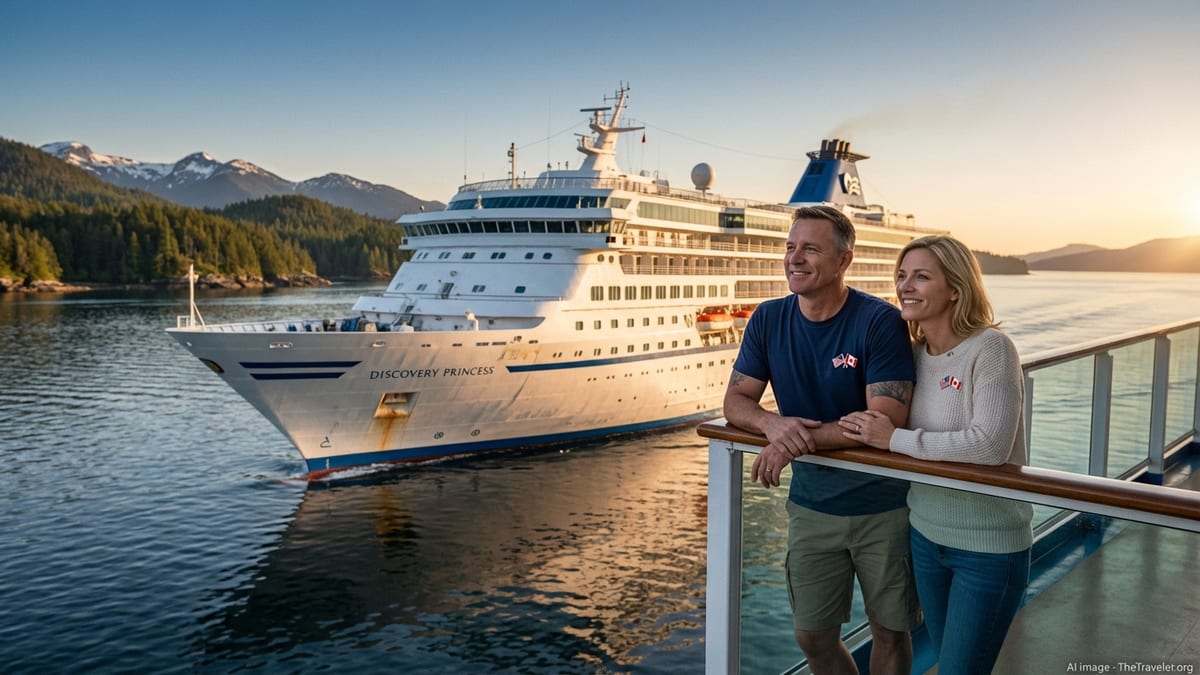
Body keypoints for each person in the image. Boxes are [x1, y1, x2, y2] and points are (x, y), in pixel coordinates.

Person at [724, 205, 920, 674]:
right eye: (790, 247)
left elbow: (884, 418)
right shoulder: (769, 319)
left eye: (811, 248)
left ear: (843, 260)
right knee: (812, 635)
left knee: (890, 631)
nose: (795, 258)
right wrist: (774, 426)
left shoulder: (878, 321)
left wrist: (793, 440)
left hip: (884, 508)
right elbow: (735, 402)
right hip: (812, 506)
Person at [838, 235, 1033, 674]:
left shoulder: (991, 349)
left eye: (922, 276)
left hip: (987, 546)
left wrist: (894, 440)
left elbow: (989, 445)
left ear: (956, 289)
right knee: (950, 661)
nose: (906, 285)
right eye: (902, 275)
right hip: (925, 537)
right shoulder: (910, 357)